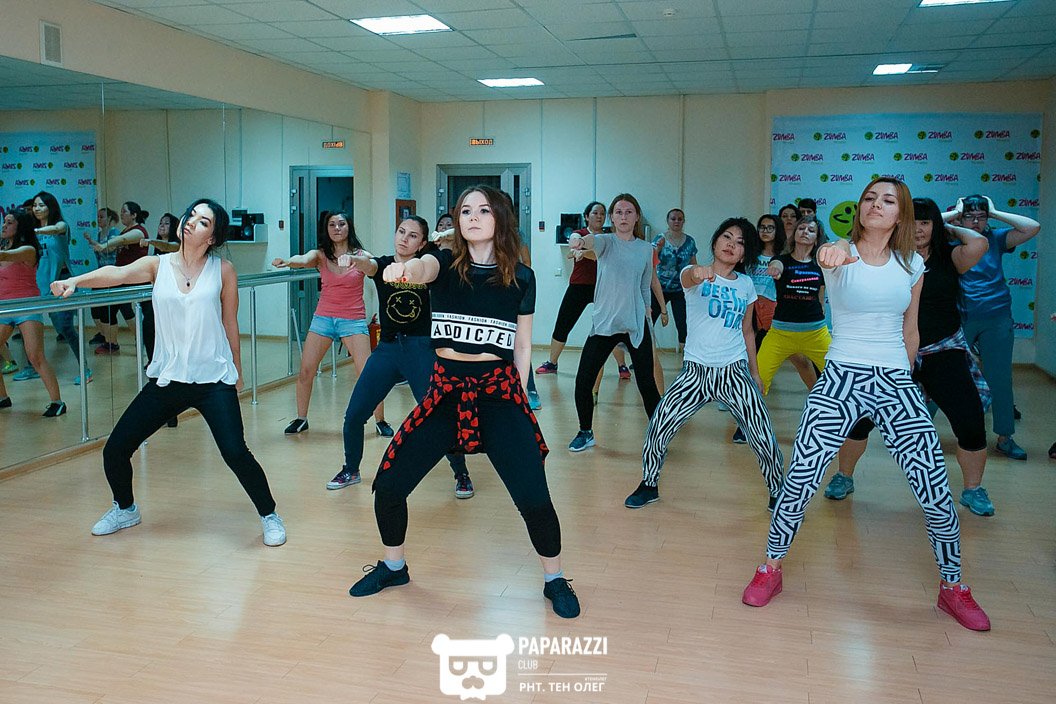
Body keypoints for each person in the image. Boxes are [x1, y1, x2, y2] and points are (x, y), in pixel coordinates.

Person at [742, 178, 990, 633]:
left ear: (901, 214)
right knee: (800, 479)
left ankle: (953, 586)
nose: (877, 204)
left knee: (935, 489)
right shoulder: (839, 254)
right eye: (870, 198)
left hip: (895, 378)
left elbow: (910, 329)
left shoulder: (912, 264)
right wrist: (834, 249)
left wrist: (906, 380)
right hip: (840, 377)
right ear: (859, 209)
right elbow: (830, 254)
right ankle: (770, 567)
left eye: (888, 200)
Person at [348, 185, 579, 619]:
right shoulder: (443, 263)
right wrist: (405, 269)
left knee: (534, 498)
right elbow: (421, 268)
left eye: (483, 210)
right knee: (389, 485)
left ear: (500, 218)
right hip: (445, 392)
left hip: (499, 394)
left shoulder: (521, 277)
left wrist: (520, 397)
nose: (472, 217)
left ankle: (555, 579)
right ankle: (394, 567)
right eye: (465, 210)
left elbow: (523, 346)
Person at [51, 199, 286, 546]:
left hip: (213, 380)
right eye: (191, 215)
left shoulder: (223, 270)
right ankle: (125, 508)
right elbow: (116, 274)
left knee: (236, 452)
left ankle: (269, 515)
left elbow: (230, 323)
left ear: (212, 236)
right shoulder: (157, 265)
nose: (191, 221)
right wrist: (75, 281)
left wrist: (237, 370)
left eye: (203, 221)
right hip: (168, 379)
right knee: (115, 449)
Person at [825, 198, 994, 516]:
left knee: (970, 420)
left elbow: (980, 242)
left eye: (925, 222)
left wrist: (945, 223)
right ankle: (843, 476)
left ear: (935, 227)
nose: (918, 229)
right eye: (912, 221)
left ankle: (973, 489)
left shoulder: (950, 258)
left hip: (942, 351)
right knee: (859, 421)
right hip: (890, 352)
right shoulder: (887, 258)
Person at [625, 217, 782, 511]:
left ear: (744, 254)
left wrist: (755, 373)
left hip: (734, 371)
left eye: (740, 243)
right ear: (715, 241)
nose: (731, 245)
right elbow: (689, 277)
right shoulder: (692, 274)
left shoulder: (746, 285)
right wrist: (698, 272)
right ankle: (649, 484)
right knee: (659, 425)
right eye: (727, 237)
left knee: (762, 434)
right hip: (695, 372)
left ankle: (777, 492)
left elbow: (748, 331)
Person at [329, 216, 475, 498]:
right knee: (354, 414)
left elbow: (448, 255)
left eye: (412, 235)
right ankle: (351, 469)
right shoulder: (383, 265)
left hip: (420, 349)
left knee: (437, 414)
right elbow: (369, 265)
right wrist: (355, 260)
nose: (404, 238)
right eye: (401, 232)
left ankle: (461, 473)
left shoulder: (428, 264)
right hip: (387, 349)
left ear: (422, 243)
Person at [272, 210, 390, 436]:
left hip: (353, 319)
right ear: (326, 229)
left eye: (341, 224)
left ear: (349, 227)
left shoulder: (361, 255)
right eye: (332, 224)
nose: (337, 228)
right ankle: (301, 419)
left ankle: (380, 420)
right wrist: (288, 261)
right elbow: (303, 259)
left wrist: (362, 263)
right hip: (324, 318)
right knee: (306, 371)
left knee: (368, 374)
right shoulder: (320, 255)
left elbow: (374, 268)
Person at [946, 194, 1040, 460]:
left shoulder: (996, 239)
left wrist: (995, 211)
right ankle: (919, 432)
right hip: (960, 317)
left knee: (1000, 380)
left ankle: (1005, 438)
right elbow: (921, 223)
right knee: (944, 374)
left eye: (981, 217)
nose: (976, 222)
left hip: (996, 317)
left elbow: (1032, 227)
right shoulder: (951, 239)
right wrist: (956, 214)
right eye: (970, 217)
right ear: (960, 218)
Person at [567, 193, 662, 452]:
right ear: (611, 217)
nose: (623, 217)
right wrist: (578, 240)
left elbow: (645, 286)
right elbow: (588, 241)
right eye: (618, 212)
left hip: (635, 324)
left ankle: (658, 436)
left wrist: (648, 316)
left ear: (637, 217)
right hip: (604, 325)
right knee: (583, 381)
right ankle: (585, 432)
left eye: (628, 212)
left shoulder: (646, 249)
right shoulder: (605, 242)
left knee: (647, 384)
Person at [535, 200, 628, 401]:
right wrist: (577, 246)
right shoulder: (580, 233)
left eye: (602, 213)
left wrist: (583, 253)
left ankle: (622, 366)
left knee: (609, 328)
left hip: (603, 287)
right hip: (578, 286)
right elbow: (574, 240)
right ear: (587, 216)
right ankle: (552, 363)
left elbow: (598, 255)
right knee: (563, 324)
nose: (599, 216)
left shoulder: (608, 238)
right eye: (595, 213)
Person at [16, 192, 88, 384]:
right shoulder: (29, 233)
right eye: (35, 205)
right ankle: (31, 367)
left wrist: (34, 232)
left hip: (61, 282)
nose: (37, 208)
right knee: (29, 326)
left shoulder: (61, 226)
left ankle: (85, 369)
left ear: (51, 207)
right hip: (38, 283)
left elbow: (56, 229)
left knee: (65, 328)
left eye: (41, 205)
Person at [754, 217, 830, 394]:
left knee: (838, 376)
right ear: (794, 234)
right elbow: (776, 264)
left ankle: (827, 407)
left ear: (817, 238)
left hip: (816, 333)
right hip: (781, 333)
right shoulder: (782, 260)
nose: (805, 232)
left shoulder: (820, 265)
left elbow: (821, 295)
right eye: (801, 228)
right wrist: (775, 269)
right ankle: (748, 412)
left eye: (811, 230)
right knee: (758, 381)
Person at [0, 209, 64, 416]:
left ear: (20, 227)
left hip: (27, 306)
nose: (4, 226)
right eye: (4, 222)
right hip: (5, 307)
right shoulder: (3, 246)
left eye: (9, 222)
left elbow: (6, 256)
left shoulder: (28, 249)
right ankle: (3, 397)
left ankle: (57, 402)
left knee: (35, 356)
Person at [88, 201, 150, 355]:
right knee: (107, 310)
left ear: (134, 215)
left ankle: (141, 340)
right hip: (122, 278)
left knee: (131, 312)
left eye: (124, 211)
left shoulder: (139, 231)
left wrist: (104, 245)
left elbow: (122, 240)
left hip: (136, 279)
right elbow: (114, 246)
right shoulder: (124, 231)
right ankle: (112, 344)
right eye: (121, 211)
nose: (121, 214)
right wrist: (97, 244)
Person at [651, 208, 698, 352]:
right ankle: (644, 354)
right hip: (660, 288)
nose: (676, 221)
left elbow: (693, 264)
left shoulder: (689, 241)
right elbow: (650, 260)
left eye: (680, 219)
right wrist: (658, 249)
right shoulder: (660, 239)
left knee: (683, 324)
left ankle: (687, 356)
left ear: (683, 221)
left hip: (681, 289)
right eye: (673, 219)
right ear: (668, 221)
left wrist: (697, 282)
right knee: (648, 321)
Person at [87, 207, 122, 347]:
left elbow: (109, 249)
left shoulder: (114, 233)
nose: (99, 219)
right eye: (98, 217)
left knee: (109, 310)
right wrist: (92, 241)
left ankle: (112, 342)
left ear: (110, 218)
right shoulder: (98, 234)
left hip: (112, 275)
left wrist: (93, 242)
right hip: (101, 275)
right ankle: (104, 335)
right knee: (95, 309)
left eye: (101, 217)